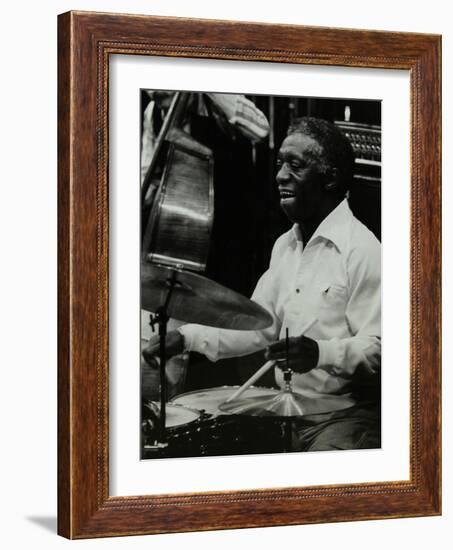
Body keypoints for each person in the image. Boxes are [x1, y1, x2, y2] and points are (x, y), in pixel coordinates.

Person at [143, 116, 381, 451]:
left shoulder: (363, 250)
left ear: (329, 178)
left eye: (295, 165)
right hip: (285, 410)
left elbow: (381, 348)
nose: (281, 175)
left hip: (344, 419)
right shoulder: (285, 246)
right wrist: (185, 338)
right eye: (281, 163)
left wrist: (320, 353)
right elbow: (259, 327)